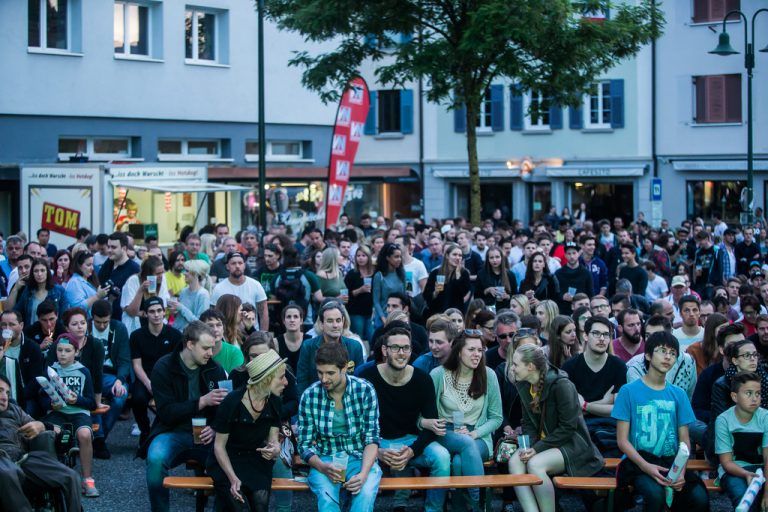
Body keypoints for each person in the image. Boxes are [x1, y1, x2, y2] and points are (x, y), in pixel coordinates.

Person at [613, 331, 710, 511]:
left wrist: (680, 470)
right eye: (662, 351)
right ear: (648, 355)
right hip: (638, 462)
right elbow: (622, 440)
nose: (668, 357)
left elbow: (685, 440)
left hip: (671, 462)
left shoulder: (678, 394)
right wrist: (646, 466)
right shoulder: (628, 391)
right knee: (655, 495)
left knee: (699, 497)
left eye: (673, 353)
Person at [360, 326, 450, 512]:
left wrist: (411, 450)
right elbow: (356, 424)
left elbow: (431, 426)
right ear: (385, 350)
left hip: (411, 438)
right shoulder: (367, 378)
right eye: (395, 348)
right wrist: (376, 451)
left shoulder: (422, 379)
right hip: (376, 441)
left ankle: (434, 509)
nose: (401, 353)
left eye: (406, 348)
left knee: (442, 457)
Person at [142, 321, 228, 512]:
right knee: (156, 458)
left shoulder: (215, 369)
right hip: (172, 431)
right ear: (190, 344)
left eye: (212, 348)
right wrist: (201, 402)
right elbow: (166, 413)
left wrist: (214, 428)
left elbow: (225, 410)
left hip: (207, 433)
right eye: (205, 348)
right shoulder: (164, 367)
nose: (210, 353)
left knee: (229, 460)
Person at [508, 343, 604, 512]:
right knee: (515, 460)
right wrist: (527, 446)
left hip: (573, 445)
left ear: (530, 367)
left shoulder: (561, 385)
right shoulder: (524, 386)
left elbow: (568, 427)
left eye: (516, 364)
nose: (513, 368)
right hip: (545, 444)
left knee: (535, 464)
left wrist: (536, 449)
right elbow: (528, 424)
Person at [297, 342, 382, 512]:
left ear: (344, 369)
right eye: (320, 372)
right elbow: (304, 445)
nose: (323, 379)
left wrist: (364, 473)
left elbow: (372, 438)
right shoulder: (310, 395)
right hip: (325, 457)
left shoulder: (365, 390)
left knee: (365, 492)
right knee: (327, 496)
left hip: (359, 457)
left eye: (330, 373)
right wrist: (322, 466)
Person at [427, 331, 503, 511]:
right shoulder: (438, 374)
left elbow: (496, 418)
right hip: (445, 432)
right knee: (464, 446)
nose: (477, 354)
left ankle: (461, 508)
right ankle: (479, 502)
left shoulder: (488, 375)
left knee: (461, 461)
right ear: (459, 351)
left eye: (480, 349)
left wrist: (475, 433)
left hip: (478, 435)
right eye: (471, 349)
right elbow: (425, 414)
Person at [207, 349, 286, 512]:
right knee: (240, 507)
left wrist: (275, 449)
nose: (286, 382)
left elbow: (273, 440)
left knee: (260, 504)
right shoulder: (232, 402)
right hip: (227, 460)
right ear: (267, 379)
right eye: (281, 377)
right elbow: (219, 447)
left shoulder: (275, 402)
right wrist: (233, 478)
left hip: (255, 460)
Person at [0, 375, 83, 511]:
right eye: (0, 391)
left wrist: (42, 426)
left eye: (7, 393)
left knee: (70, 477)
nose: (4, 397)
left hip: (22, 459)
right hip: (3, 460)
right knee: (8, 472)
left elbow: (55, 429)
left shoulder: (14, 410)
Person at [41, 333, 99, 497]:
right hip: (58, 412)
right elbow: (41, 397)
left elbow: (92, 403)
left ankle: (87, 479)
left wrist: (77, 400)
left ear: (76, 352)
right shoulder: (51, 369)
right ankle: (52, 476)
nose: (63, 354)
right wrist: (50, 403)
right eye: (60, 350)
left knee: (85, 434)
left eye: (67, 350)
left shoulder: (83, 371)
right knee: (50, 433)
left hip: (78, 413)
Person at [562, 316, 626, 456]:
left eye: (606, 335)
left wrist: (585, 406)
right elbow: (569, 411)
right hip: (579, 430)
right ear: (585, 335)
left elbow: (619, 410)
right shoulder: (570, 367)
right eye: (596, 333)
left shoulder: (618, 366)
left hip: (610, 430)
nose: (602, 338)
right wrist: (604, 402)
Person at [129, 297, 184, 445]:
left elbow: (178, 364)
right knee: (137, 399)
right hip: (146, 378)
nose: (156, 314)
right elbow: (136, 365)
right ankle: (145, 431)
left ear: (164, 312)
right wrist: (149, 384)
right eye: (152, 311)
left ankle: (167, 431)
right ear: (146, 314)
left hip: (168, 379)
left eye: (159, 310)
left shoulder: (175, 335)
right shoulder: (136, 336)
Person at [713, 371, 768, 511]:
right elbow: (726, 462)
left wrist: (766, 492)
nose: (754, 398)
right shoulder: (724, 420)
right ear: (734, 396)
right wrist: (746, 474)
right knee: (743, 497)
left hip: (763, 468)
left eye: (758, 393)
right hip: (735, 470)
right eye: (748, 393)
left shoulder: (765, 417)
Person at [296, 301, 365, 396]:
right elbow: (302, 381)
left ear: (343, 321)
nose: (335, 325)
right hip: (316, 401)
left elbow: (359, 381)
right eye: (330, 321)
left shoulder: (355, 347)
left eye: (338, 320)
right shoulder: (308, 346)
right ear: (321, 324)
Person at [89, 300, 130, 459]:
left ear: (110, 318)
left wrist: (120, 380)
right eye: (98, 322)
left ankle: (99, 436)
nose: (101, 326)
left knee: (120, 397)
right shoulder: (85, 327)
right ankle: (98, 440)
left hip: (111, 374)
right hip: (91, 373)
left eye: (105, 322)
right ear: (92, 318)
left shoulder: (118, 328)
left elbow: (125, 359)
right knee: (93, 394)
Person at [211, 252, 269, 332]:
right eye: (233, 263)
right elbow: (214, 315)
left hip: (252, 334)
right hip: (228, 334)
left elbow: (263, 313)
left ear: (244, 266)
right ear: (227, 266)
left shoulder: (256, 285)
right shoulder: (219, 288)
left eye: (240, 263)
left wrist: (263, 334)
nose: (237, 266)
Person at [0, 310, 44, 410]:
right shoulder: (0, 347)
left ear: (21, 325)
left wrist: (19, 395)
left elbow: (36, 379)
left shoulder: (32, 348)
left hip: (25, 397)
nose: (7, 329)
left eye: (12, 324)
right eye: (4, 325)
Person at [98, 232, 141, 320]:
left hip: (124, 320)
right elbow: (99, 282)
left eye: (113, 247)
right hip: (106, 318)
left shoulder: (134, 269)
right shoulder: (108, 263)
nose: (109, 250)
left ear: (124, 248)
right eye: (108, 246)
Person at [9, 258, 66, 325]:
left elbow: (64, 314)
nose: (39, 274)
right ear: (32, 273)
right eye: (36, 271)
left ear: (47, 272)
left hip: (53, 333)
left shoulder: (58, 290)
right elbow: (17, 311)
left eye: (42, 270)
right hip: (32, 332)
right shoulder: (28, 291)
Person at [122, 256, 170, 335]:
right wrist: (140, 291)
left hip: (155, 327)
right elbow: (131, 312)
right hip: (135, 327)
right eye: (158, 273)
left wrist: (146, 313)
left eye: (162, 272)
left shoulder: (162, 279)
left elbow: (163, 308)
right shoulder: (133, 280)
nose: (161, 275)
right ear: (147, 274)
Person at [423, 243, 472, 318]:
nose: (457, 257)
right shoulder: (436, 273)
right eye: (454, 254)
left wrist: (458, 276)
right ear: (447, 256)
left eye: (460, 255)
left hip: (455, 314)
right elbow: (426, 295)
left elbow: (464, 293)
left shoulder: (464, 273)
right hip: (437, 314)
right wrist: (435, 293)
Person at [170, 259, 211, 332]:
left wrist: (181, 308)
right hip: (176, 332)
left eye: (187, 271)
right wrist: (175, 312)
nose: (183, 273)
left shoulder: (203, 294)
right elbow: (180, 317)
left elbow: (200, 324)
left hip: (190, 337)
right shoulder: (183, 291)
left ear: (196, 273)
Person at [554, 241, 594, 316]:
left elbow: (591, 293)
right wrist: (563, 296)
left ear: (578, 254)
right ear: (565, 255)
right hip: (563, 311)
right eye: (569, 254)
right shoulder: (558, 273)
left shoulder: (586, 273)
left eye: (574, 253)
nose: (572, 256)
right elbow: (554, 293)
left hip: (582, 311)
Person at [372, 243, 406, 328]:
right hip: (383, 317)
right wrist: (384, 319)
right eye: (396, 257)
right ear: (387, 258)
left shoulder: (402, 274)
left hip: (399, 317)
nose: (399, 259)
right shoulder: (379, 276)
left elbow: (405, 296)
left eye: (400, 257)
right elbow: (376, 301)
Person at [345, 245, 375, 343]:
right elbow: (346, 294)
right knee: (358, 339)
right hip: (356, 312)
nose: (361, 258)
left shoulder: (375, 273)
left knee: (373, 338)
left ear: (368, 257)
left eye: (363, 255)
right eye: (358, 256)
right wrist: (360, 290)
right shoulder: (352, 274)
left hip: (371, 312)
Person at [201, 309, 245, 374]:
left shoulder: (234, 353)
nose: (215, 329)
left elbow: (237, 381)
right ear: (201, 330)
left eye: (219, 325)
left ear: (223, 329)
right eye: (210, 326)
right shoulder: (197, 351)